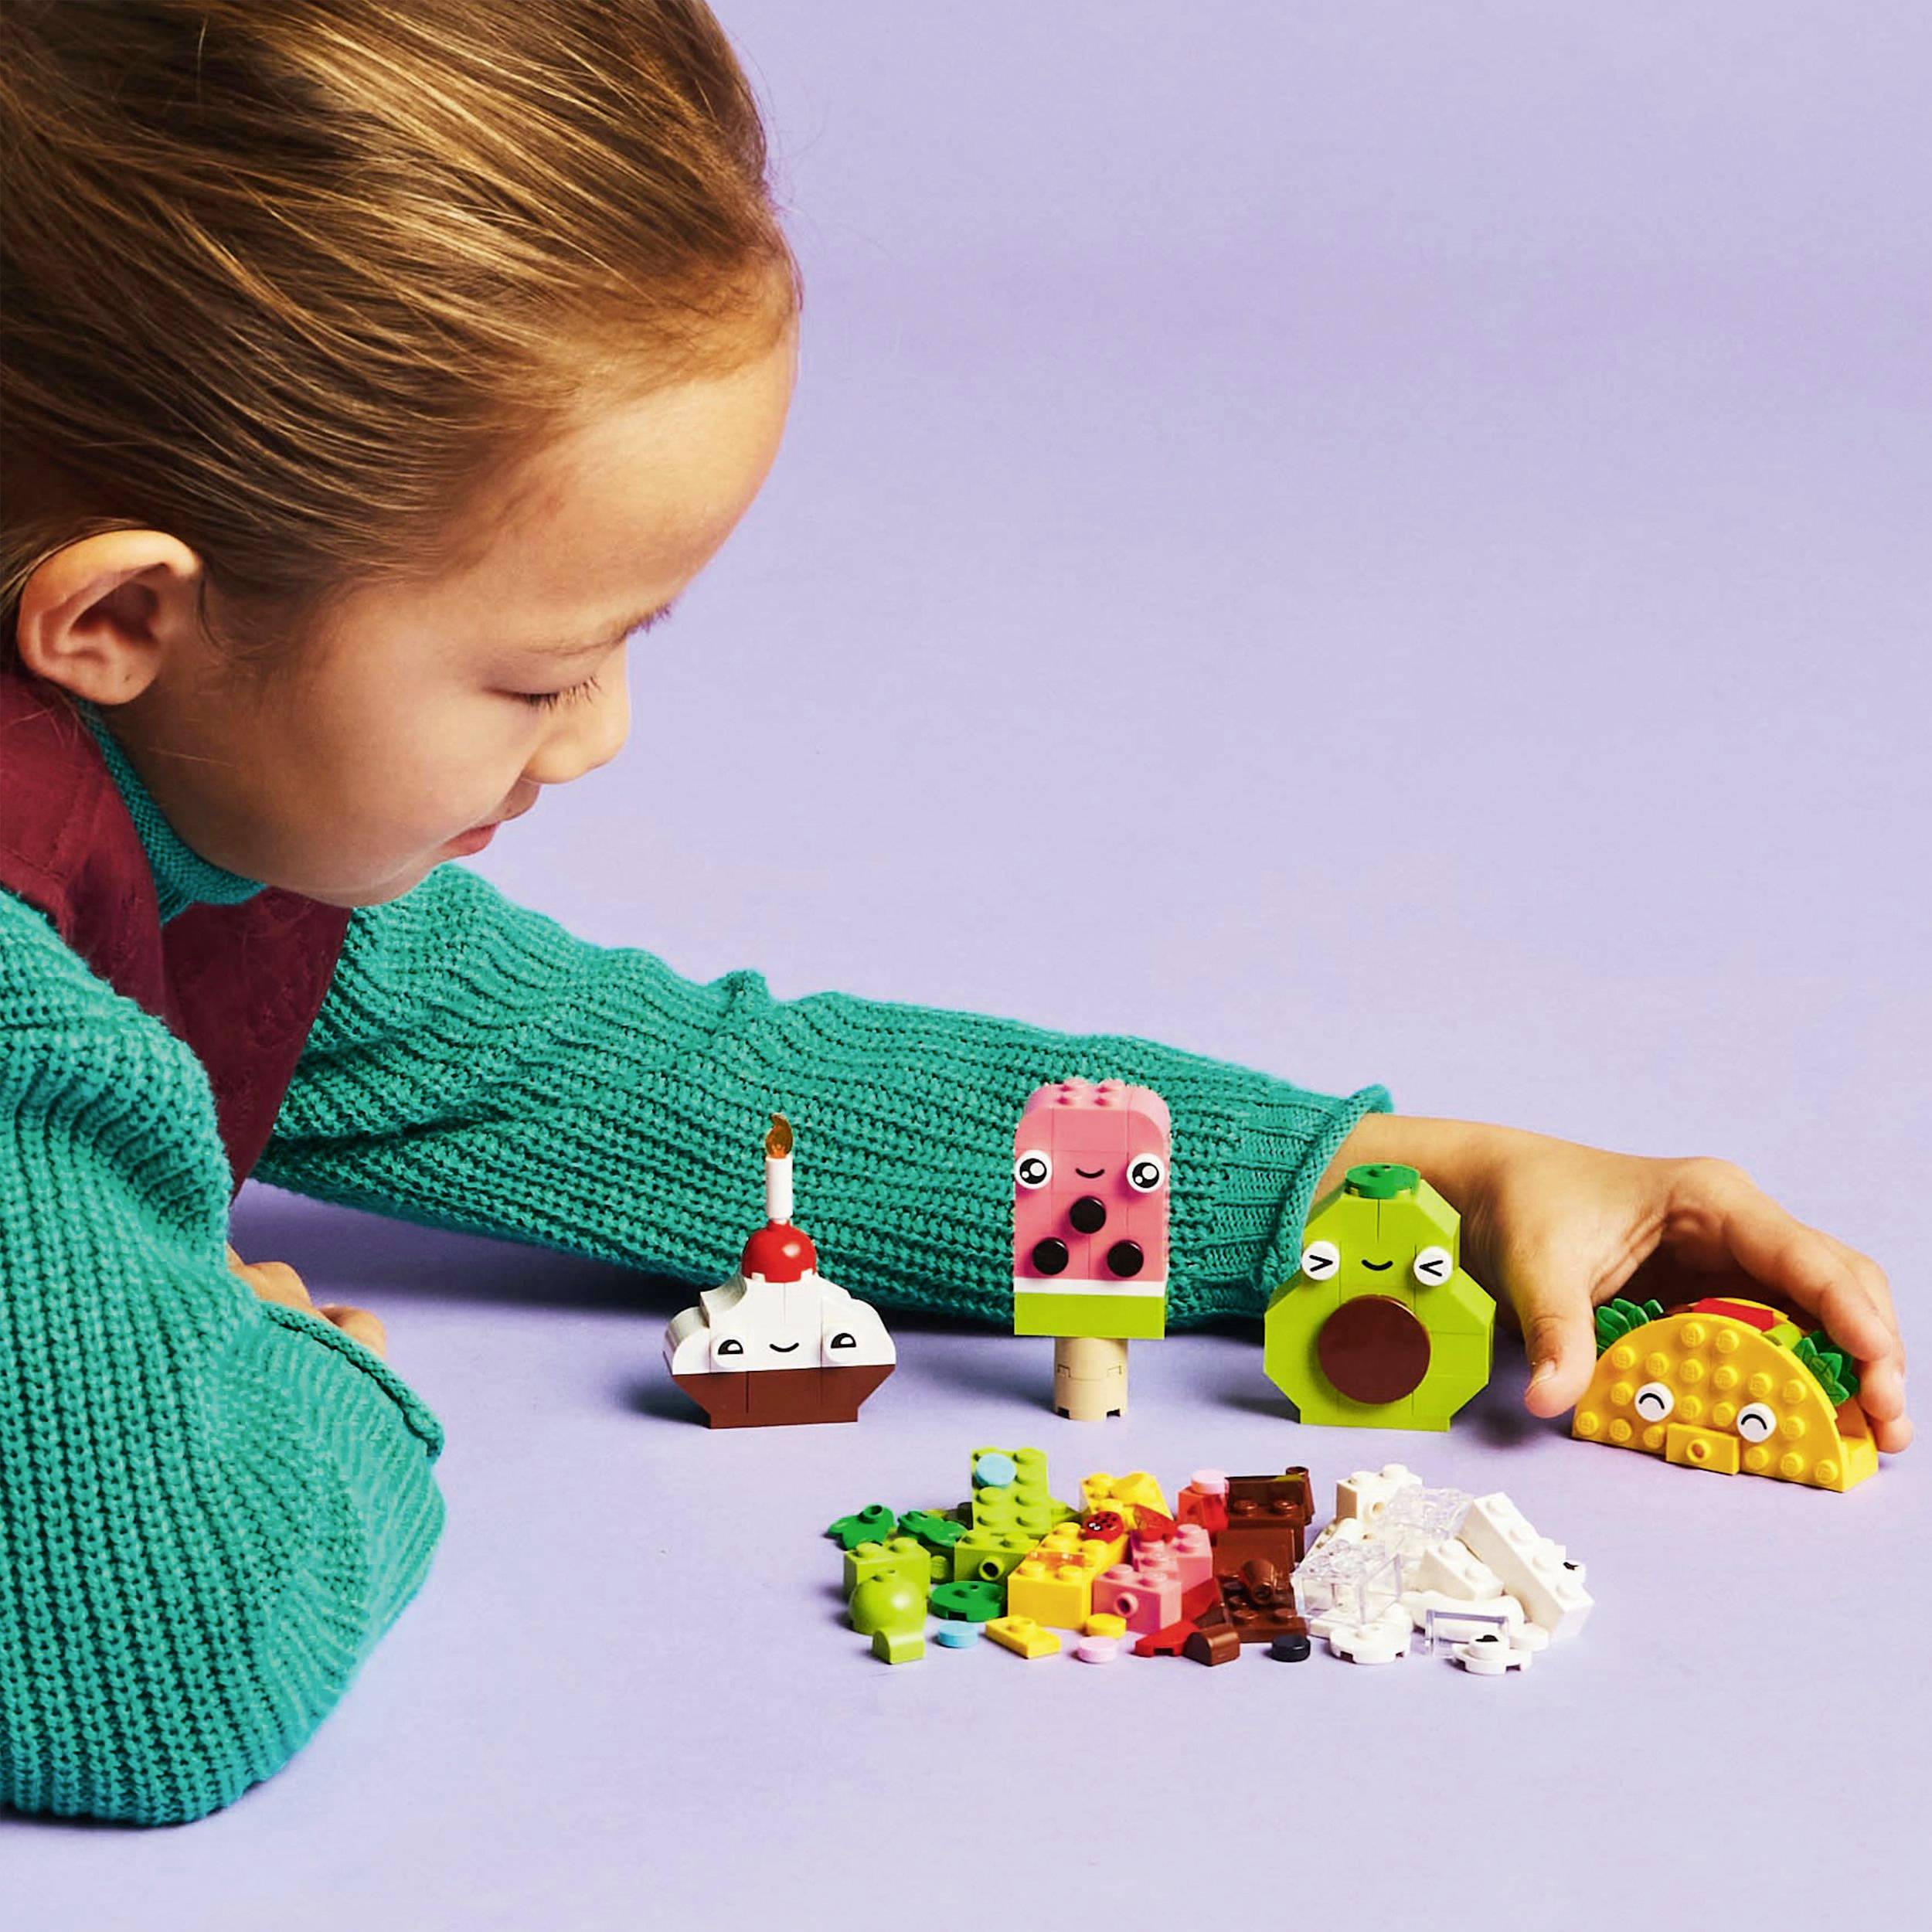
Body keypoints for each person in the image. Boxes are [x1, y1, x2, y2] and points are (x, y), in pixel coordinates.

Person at [1, 0, 1905, 1826]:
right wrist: (289, 1360)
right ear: (119, 621)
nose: (600, 739)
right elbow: (169, 1654)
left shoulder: (209, 821)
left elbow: (675, 1088)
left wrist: (1390, 1194)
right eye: (539, 674)